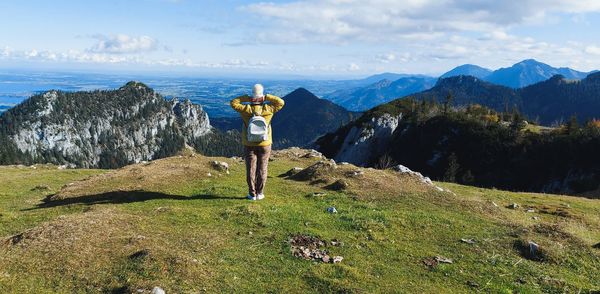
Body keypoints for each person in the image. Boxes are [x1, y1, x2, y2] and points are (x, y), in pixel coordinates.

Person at [230, 84, 285, 200]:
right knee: (263, 168)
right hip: (265, 143)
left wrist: (247, 98)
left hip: (249, 143)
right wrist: (266, 97)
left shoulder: (246, 110)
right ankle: (260, 193)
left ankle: (252, 194)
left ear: (252, 96)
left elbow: (233, 103)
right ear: (261, 96)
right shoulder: (268, 109)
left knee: (251, 169)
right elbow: (281, 102)